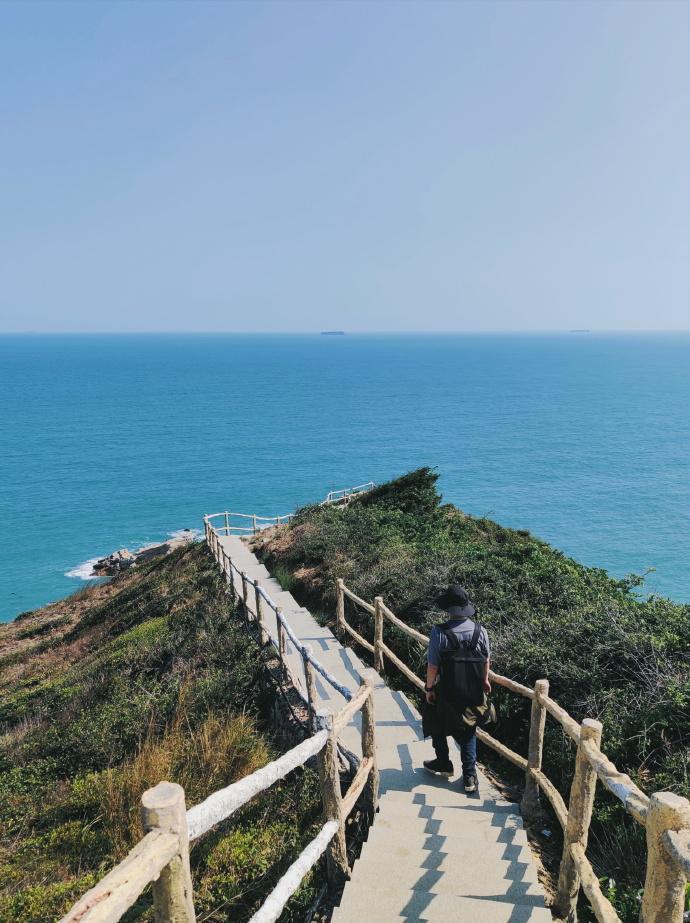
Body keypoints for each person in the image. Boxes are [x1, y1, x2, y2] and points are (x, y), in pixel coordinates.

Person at [422, 585, 491, 793]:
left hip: (447, 691)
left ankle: (443, 762)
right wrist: (485, 680)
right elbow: (486, 660)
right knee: (469, 730)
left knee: (434, 719)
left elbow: (433, 665)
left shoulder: (439, 632)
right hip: (473, 691)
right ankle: (469, 777)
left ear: (448, 609)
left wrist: (429, 687)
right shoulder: (481, 631)